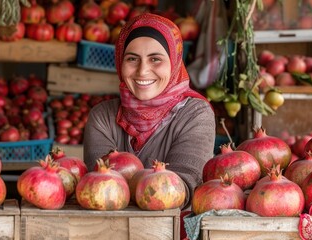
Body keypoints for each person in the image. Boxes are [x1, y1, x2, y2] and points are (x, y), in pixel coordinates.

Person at [83, 13, 215, 209]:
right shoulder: (103, 117)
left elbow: (182, 189)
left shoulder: (195, 114)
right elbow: (101, 190)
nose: (142, 70)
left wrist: (126, 184)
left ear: (175, 62)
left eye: (155, 59)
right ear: (120, 62)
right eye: (132, 59)